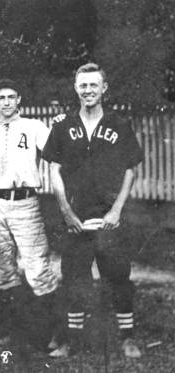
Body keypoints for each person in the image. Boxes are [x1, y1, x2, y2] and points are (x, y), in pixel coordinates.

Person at [42, 63, 143, 358]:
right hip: (76, 217)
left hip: (110, 217)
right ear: (76, 89)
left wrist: (116, 211)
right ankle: (71, 340)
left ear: (104, 88)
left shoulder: (119, 125)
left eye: (93, 85)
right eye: (83, 85)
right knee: (74, 278)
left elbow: (130, 171)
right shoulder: (62, 127)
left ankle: (127, 338)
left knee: (119, 278)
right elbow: (54, 170)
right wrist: (66, 211)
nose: (88, 90)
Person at [0, 79, 59, 348]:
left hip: (24, 203)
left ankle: (53, 333)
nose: (6, 102)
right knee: (1, 271)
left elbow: (57, 153)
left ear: (19, 99)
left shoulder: (33, 127)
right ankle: (14, 331)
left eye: (11, 97)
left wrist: (61, 127)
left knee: (37, 269)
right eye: (1, 98)